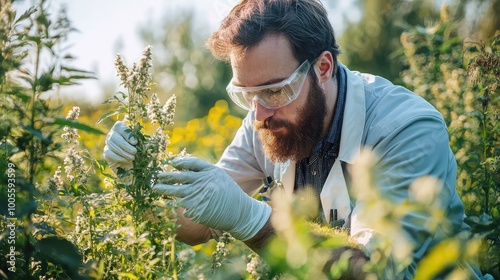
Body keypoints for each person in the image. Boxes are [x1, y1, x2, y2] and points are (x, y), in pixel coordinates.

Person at [103, 0, 483, 278]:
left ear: (322, 67)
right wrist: (136, 178)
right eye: (246, 95)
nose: (259, 114)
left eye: (274, 91)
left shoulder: (405, 130)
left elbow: (377, 273)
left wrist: (252, 219)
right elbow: (194, 227)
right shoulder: (265, 121)